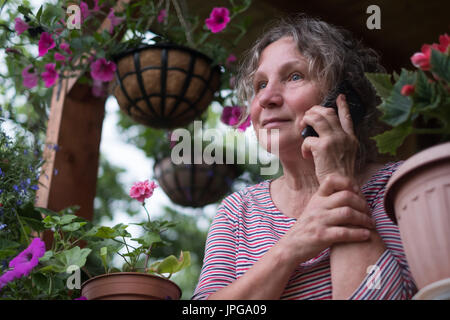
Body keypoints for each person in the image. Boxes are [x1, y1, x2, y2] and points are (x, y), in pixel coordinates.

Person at [192, 14, 417, 300]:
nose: (265, 98)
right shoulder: (239, 211)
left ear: (344, 97)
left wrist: (337, 178)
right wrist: (292, 248)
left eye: (294, 76)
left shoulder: (400, 187)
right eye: (260, 84)